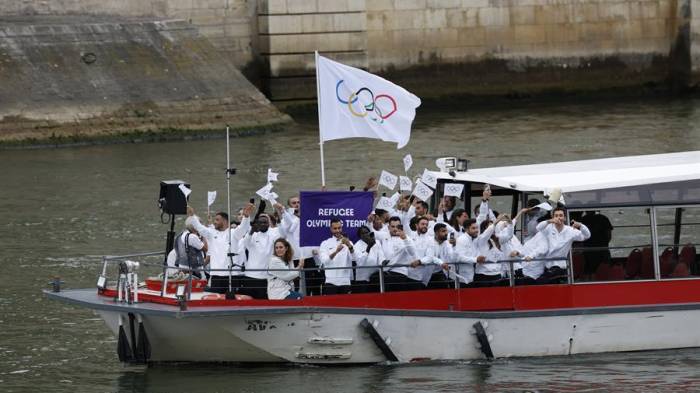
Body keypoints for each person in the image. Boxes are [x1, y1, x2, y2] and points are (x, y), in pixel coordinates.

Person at [187, 204, 253, 294]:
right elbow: (200, 228)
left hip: (231, 275)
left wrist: (246, 216)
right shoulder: (211, 233)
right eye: (215, 220)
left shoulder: (233, 233)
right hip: (216, 275)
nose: (214, 222)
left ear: (225, 221)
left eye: (217, 220)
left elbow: (243, 228)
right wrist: (192, 215)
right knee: (215, 301)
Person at [274, 198, 321, 295]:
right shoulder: (286, 219)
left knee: (313, 283)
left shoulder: (308, 217)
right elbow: (286, 232)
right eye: (294, 203)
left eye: (299, 202)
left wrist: (316, 248)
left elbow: (314, 233)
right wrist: (284, 212)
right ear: (289, 205)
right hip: (294, 256)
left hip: (308, 255)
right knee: (296, 283)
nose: (297, 204)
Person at [536, 207, 591, 283]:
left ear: (564, 218)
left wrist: (581, 226)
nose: (558, 218)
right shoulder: (548, 228)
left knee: (544, 283)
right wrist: (549, 221)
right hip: (547, 265)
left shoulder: (570, 230)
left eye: (561, 215)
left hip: (561, 267)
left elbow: (587, 236)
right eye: (556, 216)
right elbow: (538, 227)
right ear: (553, 217)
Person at [240, 213, 280, 299]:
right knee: (248, 302)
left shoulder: (273, 234)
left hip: (265, 277)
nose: (262, 224)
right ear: (257, 224)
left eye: (265, 222)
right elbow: (245, 243)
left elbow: (283, 231)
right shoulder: (253, 235)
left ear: (268, 224)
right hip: (250, 276)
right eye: (260, 222)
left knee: (263, 302)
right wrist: (251, 231)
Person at [381, 216, 419, 291]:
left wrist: (405, 239)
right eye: (393, 226)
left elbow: (412, 252)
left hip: (400, 272)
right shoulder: (383, 237)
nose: (395, 229)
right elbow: (373, 232)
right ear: (388, 227)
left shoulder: (407, 238)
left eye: (397, 226)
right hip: (385, 273)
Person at [412, 223, 454, 289]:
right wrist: (441, 263)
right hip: (427, 272)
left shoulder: (447, 243)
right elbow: (431, 257)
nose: (446, 233)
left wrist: (454, 246)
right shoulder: (429, 241)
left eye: (446, 231)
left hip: (439, 272)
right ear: (436, 233)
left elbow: (451, 255)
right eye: (443, 231)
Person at [318, 218, 353, 295]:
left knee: (346, 306)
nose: (337, 230)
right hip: (330, 282)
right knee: (330, 307)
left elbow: (354, 259)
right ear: (331, 229)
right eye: (335, 228)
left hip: (345, 281)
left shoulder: (348, 242)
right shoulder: (325, 243)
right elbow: (324, 261)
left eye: (339, 228)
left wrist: (350, 246)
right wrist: (336, 252)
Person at [454, 218, 489, 286]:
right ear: (467, 229)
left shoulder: (474, 239)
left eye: (477, 228)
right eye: (473, 228)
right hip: (461, 278)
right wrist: (476, 259)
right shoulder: (462, 240)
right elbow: (459, 258)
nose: (476, 230)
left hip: (471, 276)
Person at [579, 210, 614, 278]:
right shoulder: (603, 218)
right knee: (604, 268)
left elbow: (579, 236)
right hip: (602, 248)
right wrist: (605, 244)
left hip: (588, 249)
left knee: (589, 269)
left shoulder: (582, 220)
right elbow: (609, 235)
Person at [352, 226, 385, 293]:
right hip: (362, 280)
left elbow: (381, 256)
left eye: (367, 232)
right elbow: (360, 262)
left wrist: (383, 262)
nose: (365, 235)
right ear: (360, 236)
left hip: (375, 278)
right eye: (363, 233)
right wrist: (369, 247)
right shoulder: (356, 246)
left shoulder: (377, 242)